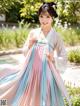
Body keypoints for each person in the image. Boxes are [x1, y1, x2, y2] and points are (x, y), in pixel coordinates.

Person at [0, 2, 71, 106]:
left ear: (52, 18)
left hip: (46, 75)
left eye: (47, 16)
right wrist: (29, 45)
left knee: (44, 99)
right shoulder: (33, 32)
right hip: (29, 73)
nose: (44, 20)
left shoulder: (56, 36)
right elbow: (24, 52)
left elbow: (63, 56)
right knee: (20, 95)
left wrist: (53, 58)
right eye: (41, 16)